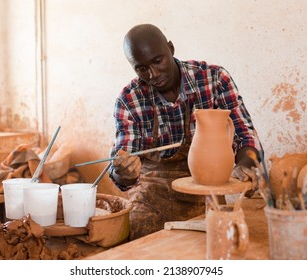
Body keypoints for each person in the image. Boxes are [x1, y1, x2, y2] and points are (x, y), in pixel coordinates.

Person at [109, 24, 263, 240]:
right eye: (141, 68)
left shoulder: (214, 79)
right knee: (137, 242)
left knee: (221, 240)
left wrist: (246, 165)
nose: (153, 74)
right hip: (152, 197)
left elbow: (244, 134)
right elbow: (122, 168)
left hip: (206, 190)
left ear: (171, 49)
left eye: (157, 61)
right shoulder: (129, 100)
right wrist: (124, 171)